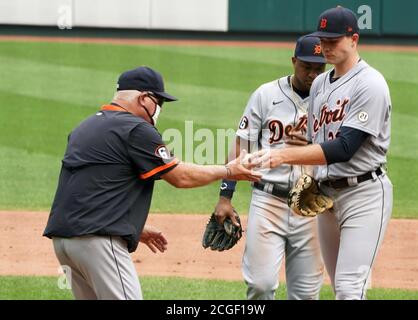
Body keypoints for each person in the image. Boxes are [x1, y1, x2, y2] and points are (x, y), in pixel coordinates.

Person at [43, 66, 261, 300]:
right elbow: (180, 176)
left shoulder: (84, 127)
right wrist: (229, 169)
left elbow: (84, 186)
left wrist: (132, 227)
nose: (159, 110)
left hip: (64, 240)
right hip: (98, 242)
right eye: (159, 102)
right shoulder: (136, 129)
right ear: (144, 98)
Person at [252, 6, 393, 300]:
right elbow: (318, 140)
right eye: (323, 40)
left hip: (363, 194)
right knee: (343, 287)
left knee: (348, 288)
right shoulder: (319, 84)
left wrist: (282, 156)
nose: (326, 47)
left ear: (354, 39)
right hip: (327, 199)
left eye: (334, 41)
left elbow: (344, 148)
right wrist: (310, 172)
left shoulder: (370, 83)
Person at [214, 36, 326, 300]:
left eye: (318, 69)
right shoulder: (266, 95)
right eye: (306, 66)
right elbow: (241, 146)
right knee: (260, 286)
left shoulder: (331, 101)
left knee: (307, 295)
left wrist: (312, 145)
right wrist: (224, 197)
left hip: (312, 204)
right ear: (294, 61)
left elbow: (345, 149)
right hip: (268, 201)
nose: (312, 74)